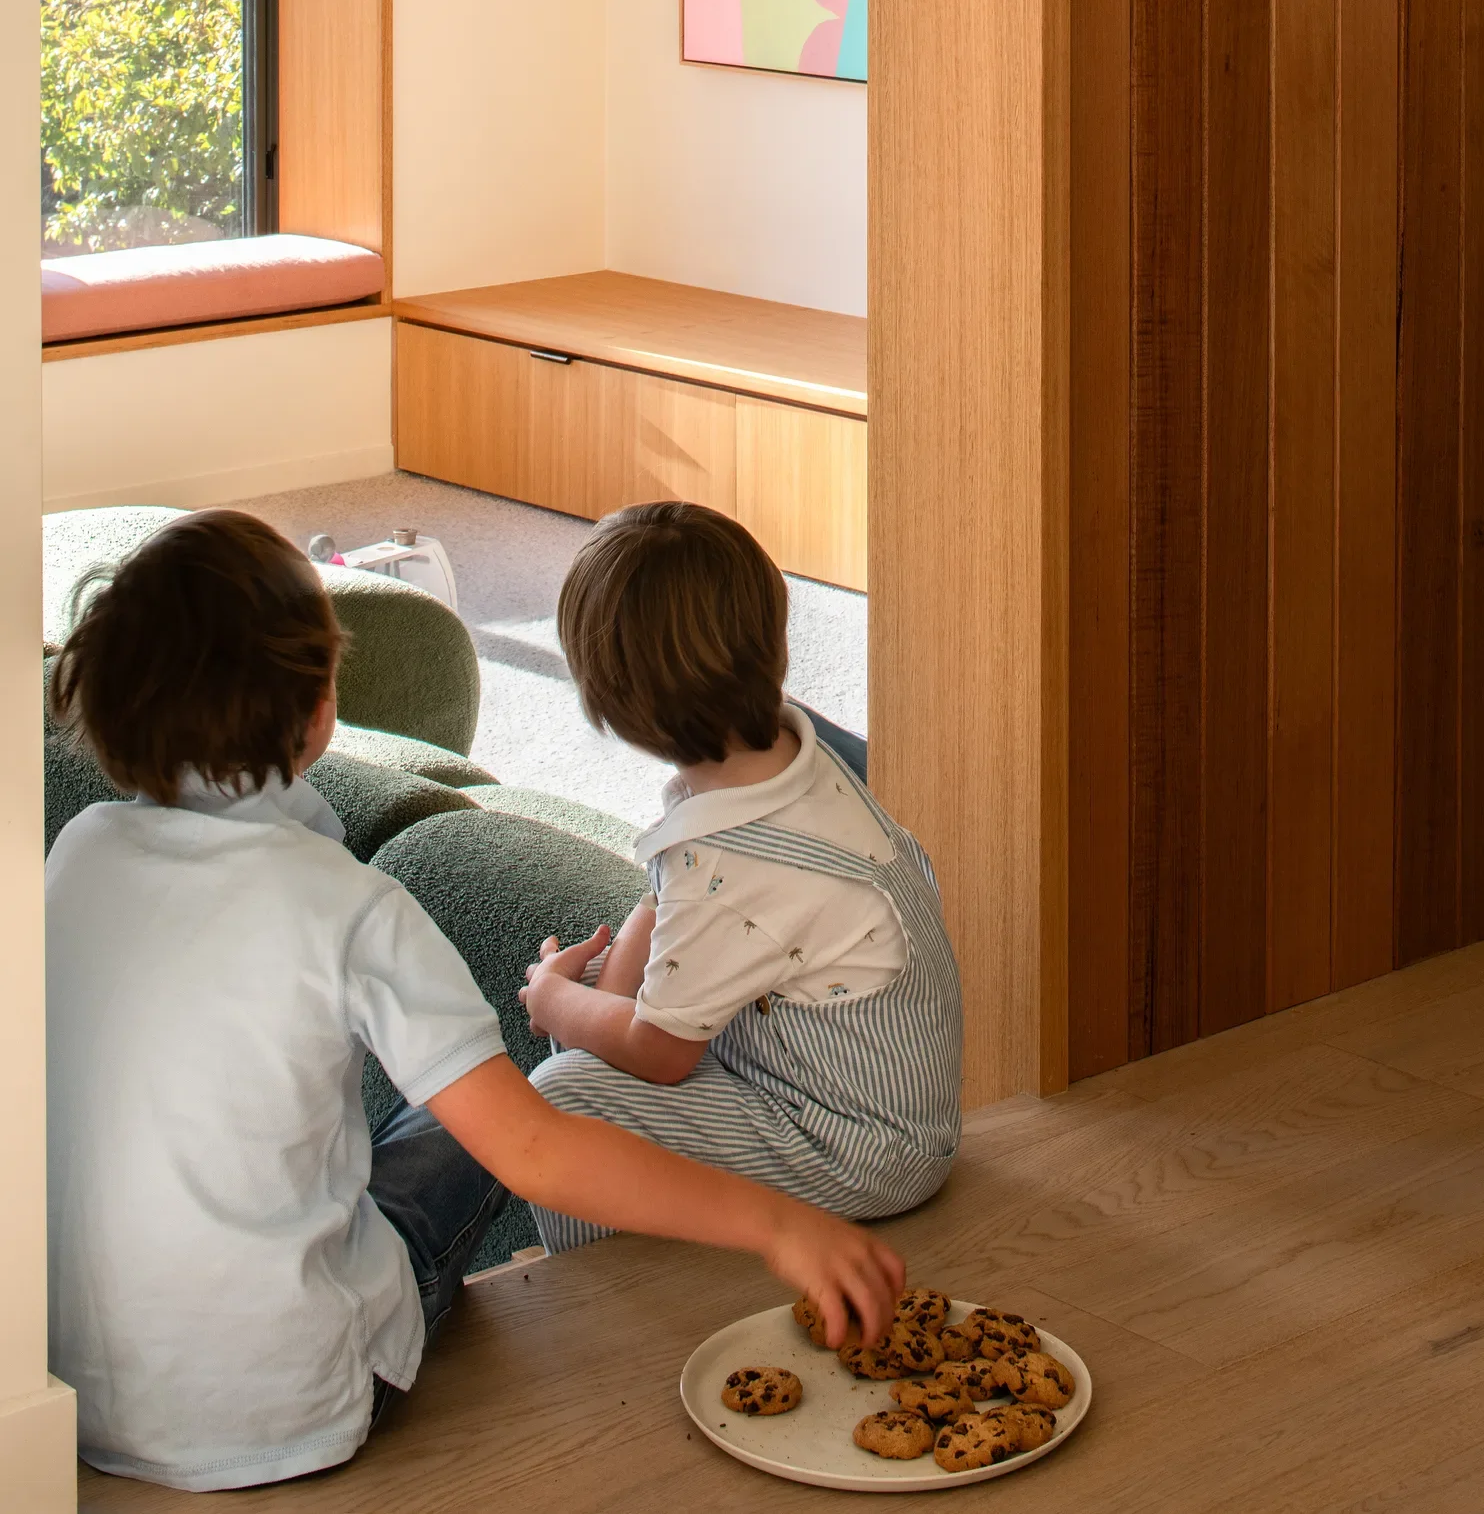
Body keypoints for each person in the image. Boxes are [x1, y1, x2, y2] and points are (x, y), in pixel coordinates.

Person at [44, 510, 902, 1493]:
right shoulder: (349, 906)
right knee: (492, 1115)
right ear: (319, 708)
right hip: (284, 1405)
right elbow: (534, 1151)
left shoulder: (76, 853)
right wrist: (775, 1225)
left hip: (70, 1390)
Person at [521, 501, 962, 1252]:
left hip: (857, 1148)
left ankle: (598, 1284)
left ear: (617, 708)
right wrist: (604, 993)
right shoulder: (791, 754)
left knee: (561, 1101)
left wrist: (557, 1001)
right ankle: (658, 1219)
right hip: (861, 1097)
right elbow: (669, 903)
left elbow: (661, 1053)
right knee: (604, 1017)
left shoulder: (728, 859)